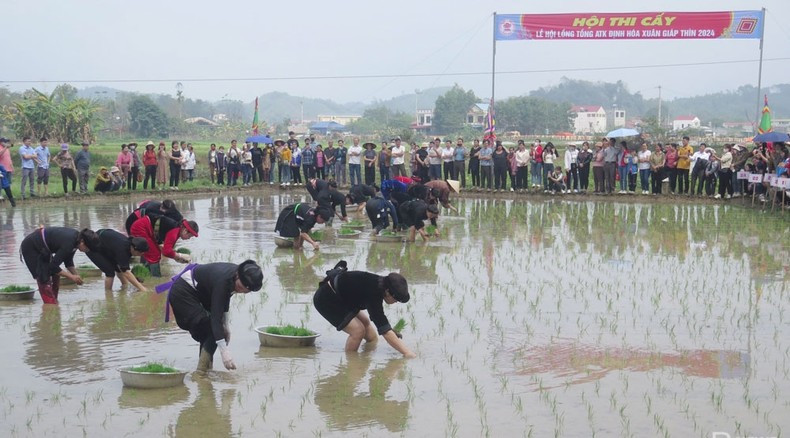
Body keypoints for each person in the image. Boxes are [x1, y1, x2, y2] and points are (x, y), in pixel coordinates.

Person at [163, 260, 264, 370]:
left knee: (215, 332)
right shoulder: (223, 279)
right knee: (212, 330)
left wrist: (226, 326)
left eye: (245, 291)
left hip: (200, 294)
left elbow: (224, 301)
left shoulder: (234, 278)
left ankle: (206, 369)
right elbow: (215, 318)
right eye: (240, 287)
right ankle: (202, 372)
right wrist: (224, 352)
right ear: (237, 276)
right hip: (183, 293)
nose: (240, 291)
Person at [313, 261, 415, 357]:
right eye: (396, 298)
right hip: (326, 299)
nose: (396, 301)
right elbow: (384, 330)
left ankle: (365, 359)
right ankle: (352, 363)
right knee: (358, 331)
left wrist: (390, 331)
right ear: (388, 292)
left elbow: (381, 322)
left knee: (370, 335)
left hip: (343, 297)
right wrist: (407, 353)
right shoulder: (373, 293)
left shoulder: (380, 285)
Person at [20, 227, 99, 304]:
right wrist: (72, 277)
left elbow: (68, 261)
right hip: (31, 246)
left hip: (43, 248)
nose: (87, 251)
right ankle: (50, 304)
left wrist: (76, 275)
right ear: (82, 241)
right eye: (87, 248)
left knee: (55, 274)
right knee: (43, 277)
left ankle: (54, 302)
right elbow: (53, 266)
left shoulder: (76, 240)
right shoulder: (69, 243)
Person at [130, 216, 199, 277]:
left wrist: (176, 258)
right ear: (185, 230)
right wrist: (179, 255)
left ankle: (148, 273)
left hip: (146, 227)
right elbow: (166, 252)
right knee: (154, 255)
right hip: (141, 228)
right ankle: (156, 277)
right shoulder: (174, 232)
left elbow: (166, 248)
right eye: (190, 236)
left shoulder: (178, 229)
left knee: (154, 251)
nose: (189, 238)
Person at [0, 137, 13, 204]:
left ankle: (8, 196)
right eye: (5, 142)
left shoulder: (7, 149)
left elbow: (9, 158)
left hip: (8, 168)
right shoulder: (2, 148)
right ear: (1, 142)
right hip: (2, 170)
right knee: (1, 184)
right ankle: (1, 195)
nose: (6, 143)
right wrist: (5, 147)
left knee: (8, 183)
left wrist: (12, 166)